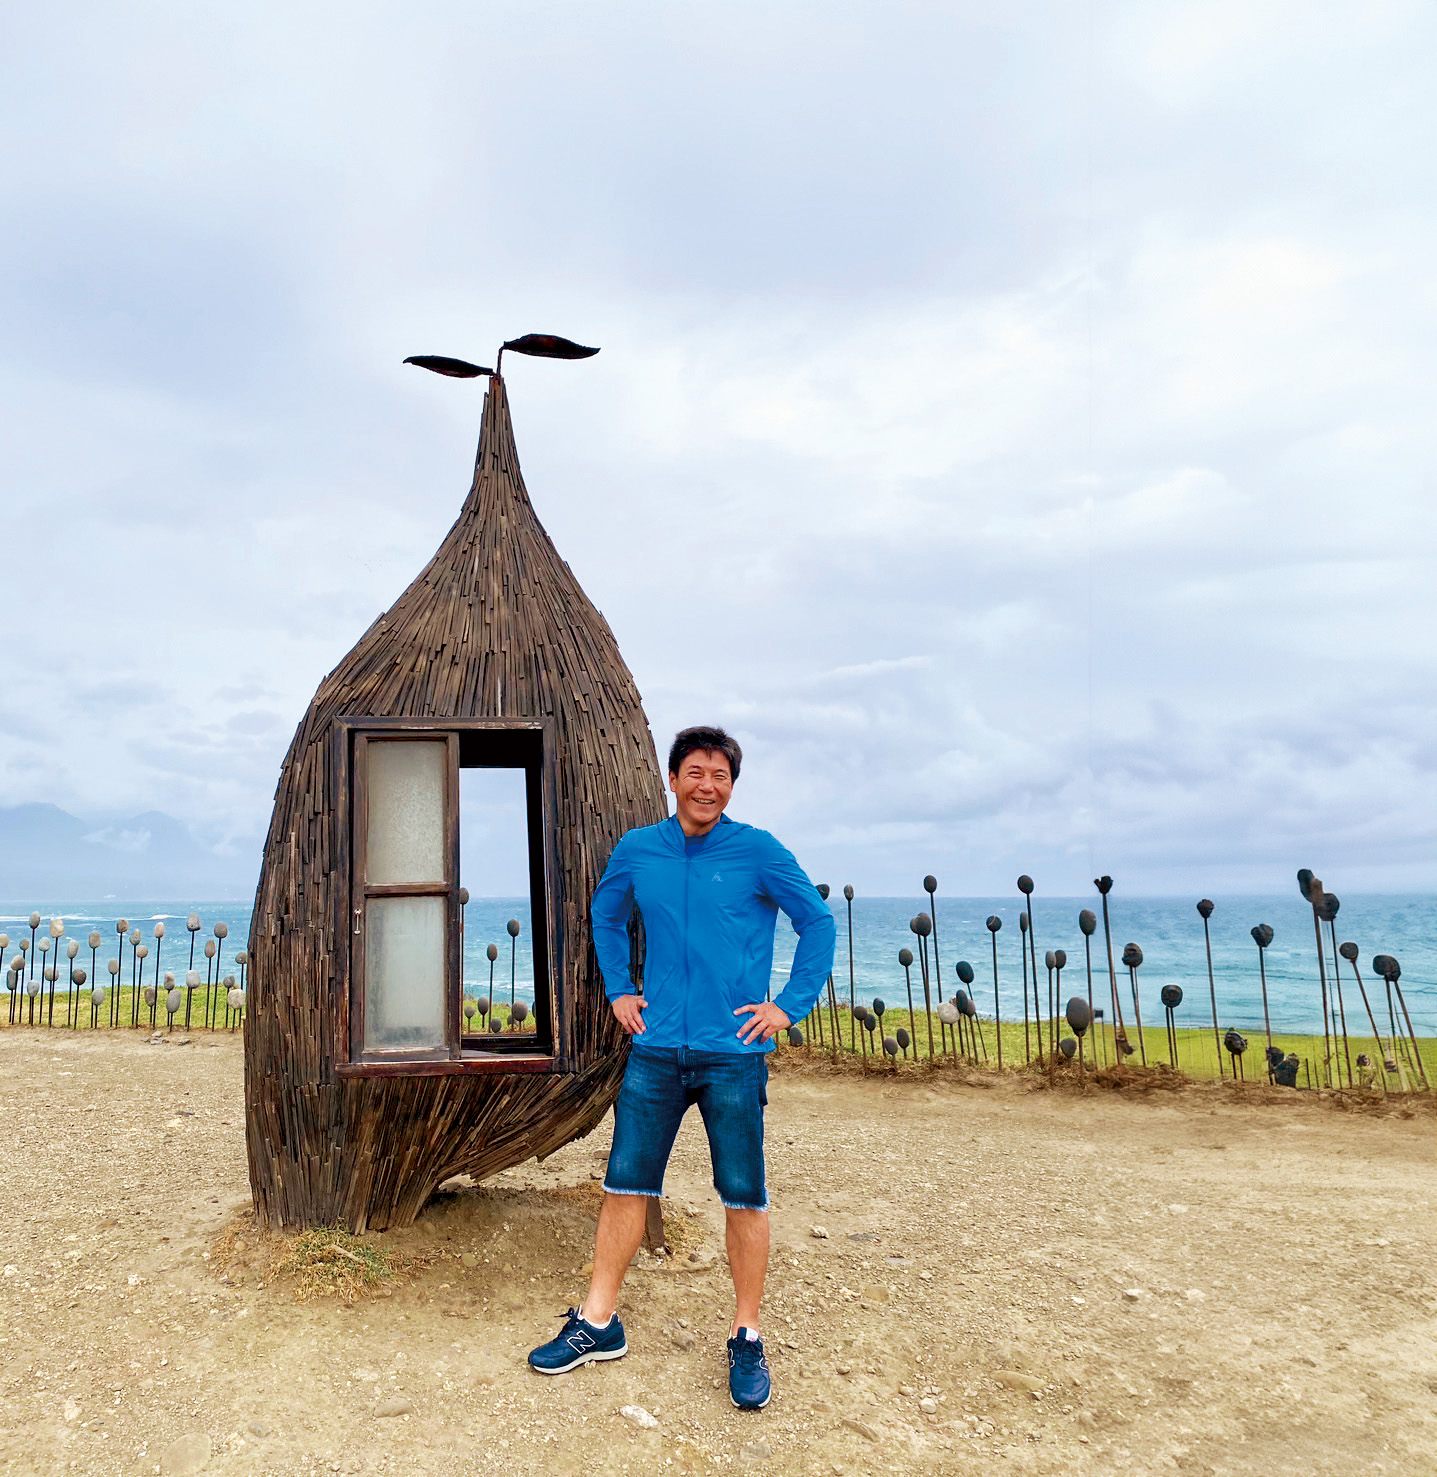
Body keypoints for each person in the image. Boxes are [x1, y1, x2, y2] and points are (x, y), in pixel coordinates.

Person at [527, 725, 835, 1410]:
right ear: (673, 779)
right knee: (625, 1183)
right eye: (695, 771)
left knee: (743, 1195)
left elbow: (817, 922)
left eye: (719, 775)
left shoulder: (756, 849)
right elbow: (605, 916)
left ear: (731, 785)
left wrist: (787, 1006)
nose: (707, 785)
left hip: (733, 1054)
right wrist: (617, 988)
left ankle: (747, 1332)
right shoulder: (640, 849)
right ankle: (598, 1321)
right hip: (656, 1048)